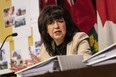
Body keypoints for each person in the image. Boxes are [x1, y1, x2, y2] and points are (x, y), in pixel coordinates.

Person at [10, 5, 92, 71]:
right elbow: (40, 69)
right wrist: (28, 70)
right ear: (46, 30)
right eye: (51, 23)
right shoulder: (45, 48)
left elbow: (87, 65)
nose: (56, 26)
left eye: (60, 21)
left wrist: (49, 68)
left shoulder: (79, 38)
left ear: (66, 24)